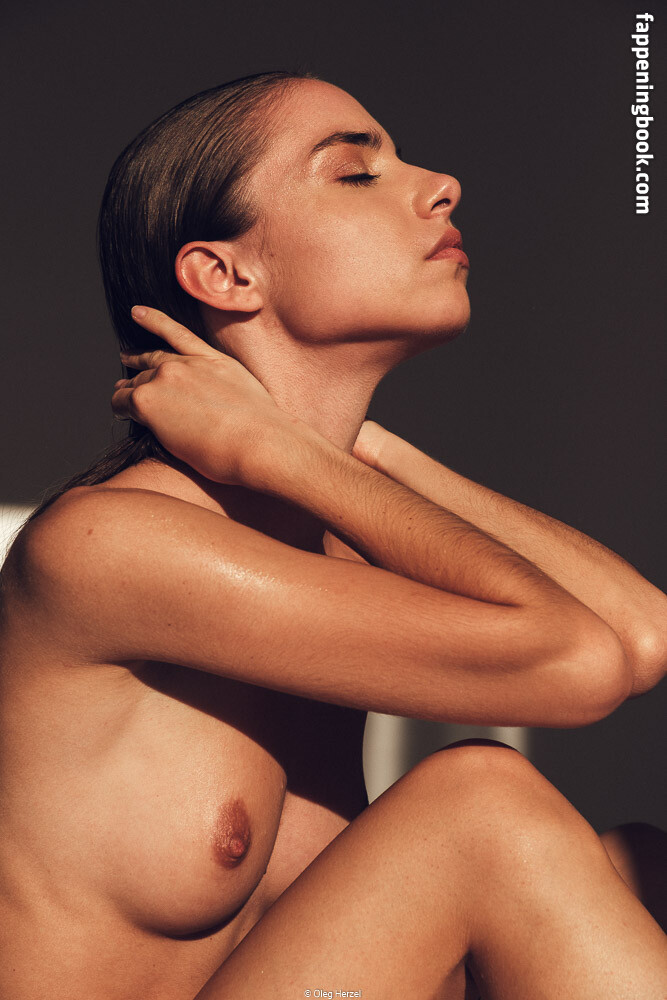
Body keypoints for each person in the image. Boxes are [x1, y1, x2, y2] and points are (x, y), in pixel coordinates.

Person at [0, 70, 665, 1000]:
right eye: (355, 173)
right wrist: (293, 453)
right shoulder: (109, 545)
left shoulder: (331, 538)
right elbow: (575, 665)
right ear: (226, 274)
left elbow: (638, 637)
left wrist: (331, 450)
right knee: (481, 804)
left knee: (637, 863)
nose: (442, 186)